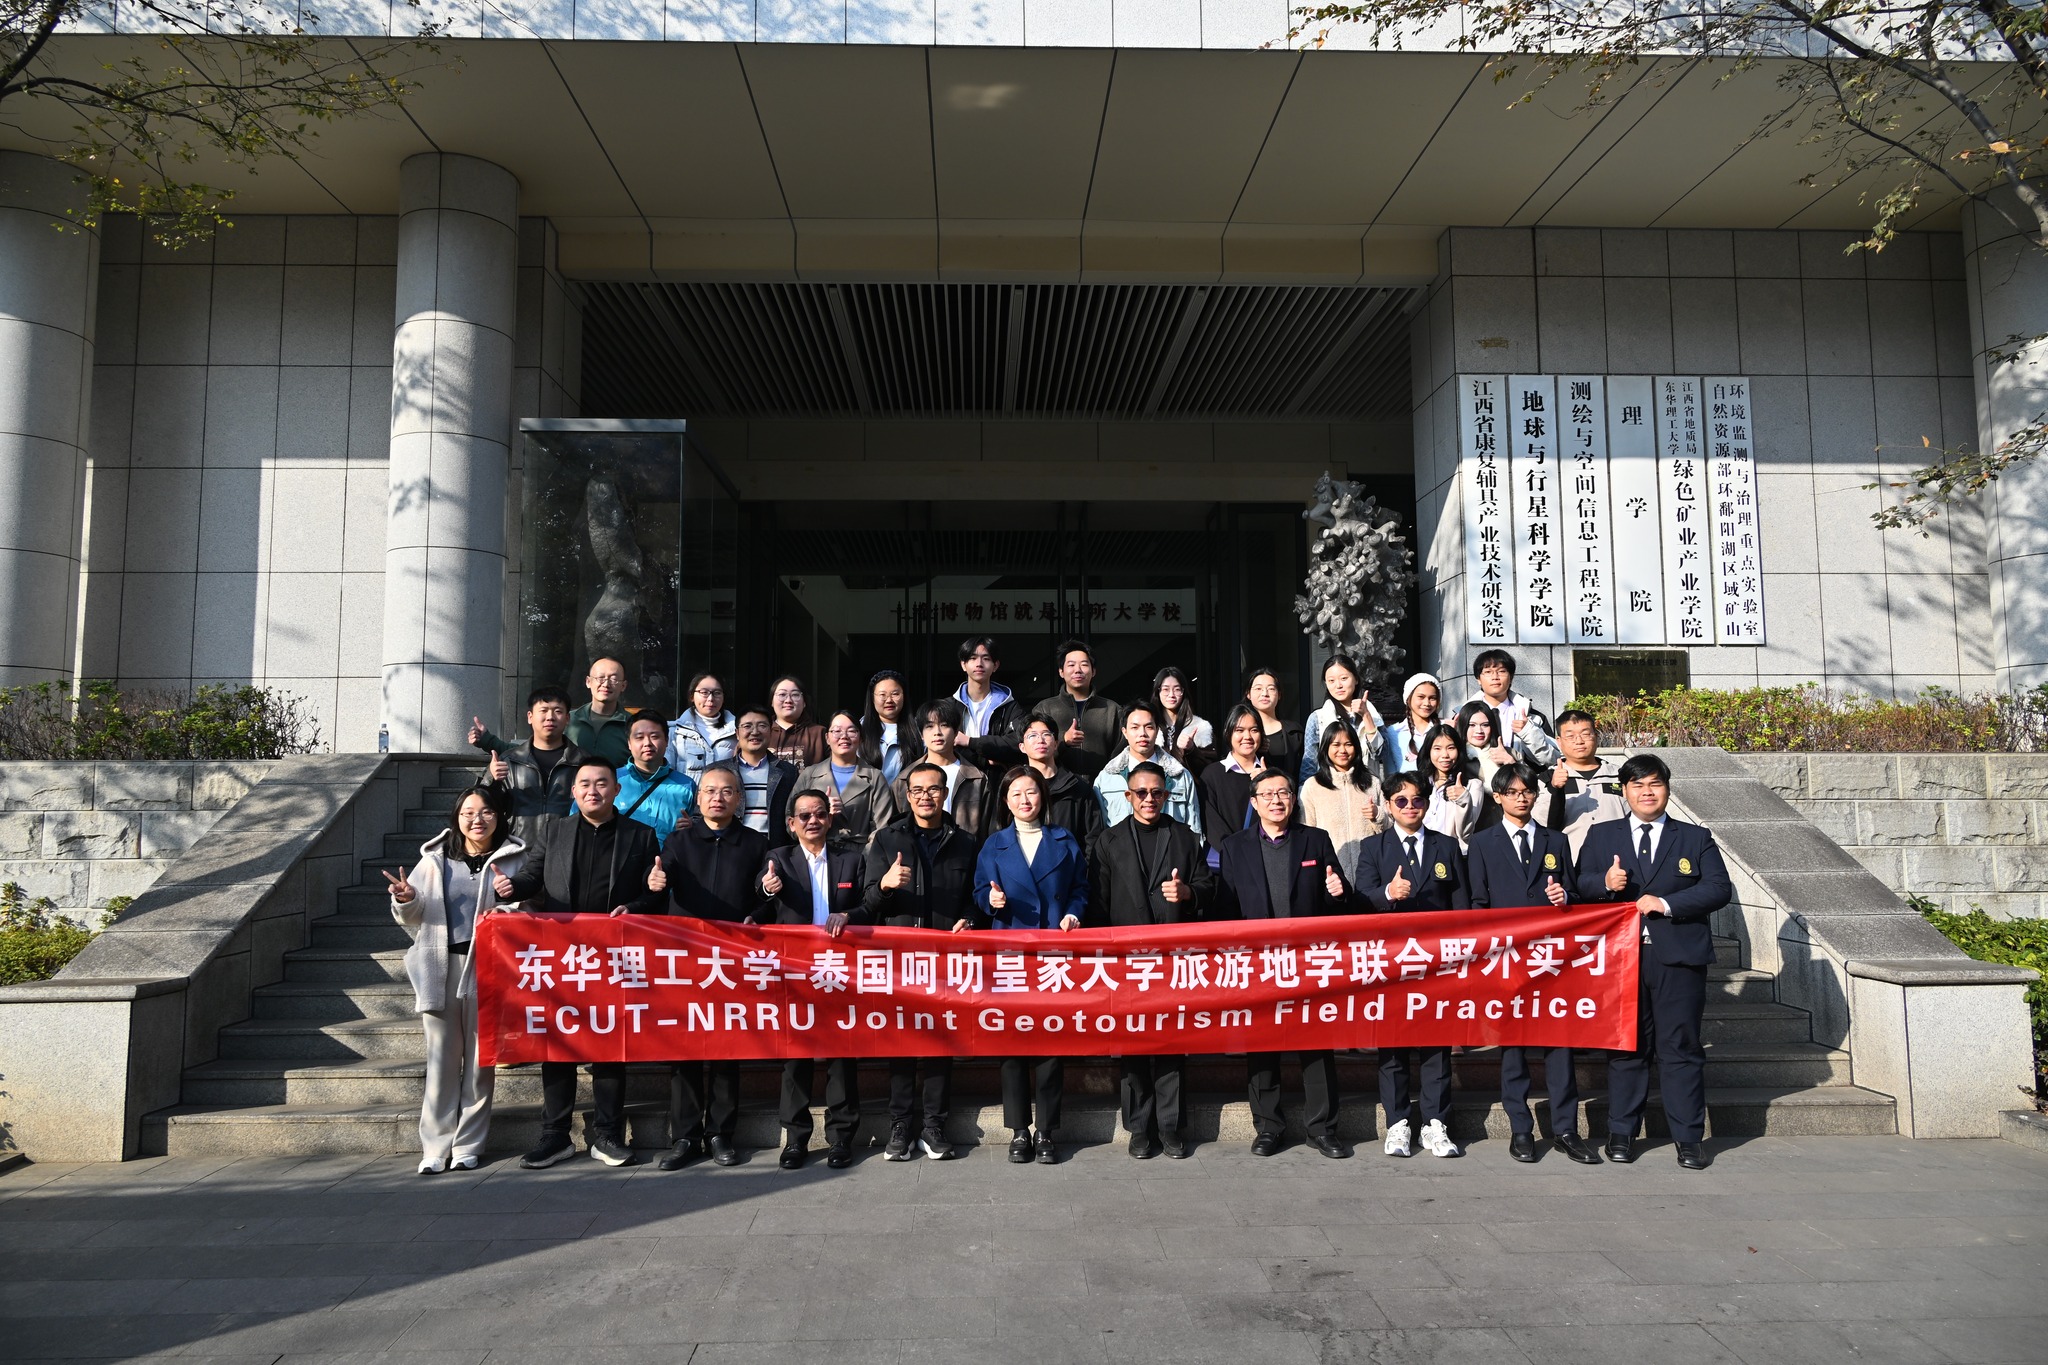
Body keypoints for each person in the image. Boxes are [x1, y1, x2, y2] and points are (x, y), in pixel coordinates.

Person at [1574, 753, 1733, 1171]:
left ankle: (1688, 1139)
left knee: (1680, 1047)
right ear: (1624, 791)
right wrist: (1605, 883)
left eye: (1655, 784)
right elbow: (1579, 885)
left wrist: (1665, 903)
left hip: (1678, 959)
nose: (1647, 792)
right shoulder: (1602, 834)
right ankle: (1622, 1133)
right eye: (1638, 785)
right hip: (1620, 960)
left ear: (1667, 788)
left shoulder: (1694, 837)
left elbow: (1719, 888)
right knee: (1626, 1047)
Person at [506, 760, 666, 1170]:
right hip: (563, 957)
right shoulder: (555, 831)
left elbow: (654, 896)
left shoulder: (640, 835)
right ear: (574, 792)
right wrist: (510, 887)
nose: (593, 790)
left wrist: (640, 901)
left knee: (610, 1047)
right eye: (585, 784)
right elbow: (532, 877)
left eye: (601, 783)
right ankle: (555, 1136)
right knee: (558, 1047)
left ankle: (608, 1135)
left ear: (616, 789)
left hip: (614, 958)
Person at [1213, 769, 1355, 1158]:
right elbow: (1225, 910)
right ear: (1254, 802)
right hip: (1258, 963)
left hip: (1308, 962)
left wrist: (1338, 892)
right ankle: (1268, 1127)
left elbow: (1337, 900)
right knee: (1262, 1047)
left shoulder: (1315, 840)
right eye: (1268, 794)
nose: (1277, 800)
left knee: (1316, 1047)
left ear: (1293, 799)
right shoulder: (1235, 846)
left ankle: (1322, 1129)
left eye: (1284, 793)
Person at [385, 784, 525, 1174]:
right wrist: (405, 898)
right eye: (468, 813)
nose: (477, 820)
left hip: (491, 968)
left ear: (499, 816)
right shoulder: (435, 860)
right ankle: (434, 1146)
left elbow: (530, 907)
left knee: (481, 1062)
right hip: (439, 966)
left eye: (486, 812)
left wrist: (511, 905)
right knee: (442, 1060)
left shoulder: (516, 857)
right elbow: (413, 915)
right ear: (457, 818)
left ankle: (468, 1145)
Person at [1465, 764, 1599, 1166]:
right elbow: (1477, 903)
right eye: (1513, 792)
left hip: (1552, 958)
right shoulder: (1482, 843)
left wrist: (1564, 898)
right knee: (1514, 1047)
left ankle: (1566, 1130)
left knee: (1560, 1047)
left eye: (1527, 791)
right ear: (1498, 797)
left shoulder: (1555, 840)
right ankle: (1520, 1128)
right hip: (1507, 958)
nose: (1521, 798)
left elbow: (1573, 891)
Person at [1091, 760, 1213, 1159]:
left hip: (1172, 960)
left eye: (1157, 792)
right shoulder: (1108, 841)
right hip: (1125, 962)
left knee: (1171, 1043)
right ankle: (1140, 1128)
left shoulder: (1185, 837)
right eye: (1141, 793)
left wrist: (1188, 894)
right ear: (1128, 796)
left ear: (1167, 795)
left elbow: (1207, 886)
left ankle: (1170, 1126)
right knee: (1133, 1045)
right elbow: (1098, 904)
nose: (1149, 799)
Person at [646, 766, 766, 1170]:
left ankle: (720, 1133)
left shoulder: (756, 843)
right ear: (698, 799)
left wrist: (760, 908)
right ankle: (684, 1136)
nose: (718, 798)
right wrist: (655, 881)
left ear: (739, 799)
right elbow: (662, 877)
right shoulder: (678, 841)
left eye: (727, 791)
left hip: (732, 961)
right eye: (710, 791)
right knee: (685, 1048)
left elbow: (764, 897)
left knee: (726, 1047)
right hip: (687, 960)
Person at [865, 761, 979, 1162]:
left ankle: (934, 1126)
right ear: (906, 795)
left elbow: (975, 896)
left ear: (945, 794)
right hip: (901, 959)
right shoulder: (887, 839)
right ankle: (900, 1126)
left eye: (933, 789)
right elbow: (868, 902)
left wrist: (972, 918)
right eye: (917, 790)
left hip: (946, 960)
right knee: (901, 1042)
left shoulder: (966, 842)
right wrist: (885, 885)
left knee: (939, 1043)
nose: (925, 796)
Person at [1354, 770, 1470, 1160]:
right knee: (1393, 1046)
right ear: (1388, 806)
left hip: (1437, 962)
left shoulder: (1446, 846)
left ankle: (1436, 1123)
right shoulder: (1373, 847)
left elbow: (1461, 906)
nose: (1410, 806)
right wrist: (1388, 893)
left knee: (1437, 1046)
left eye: (1417, 799)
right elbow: (1360, 901)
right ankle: (1398, 1122)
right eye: (1401, 801)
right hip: (1391, 963)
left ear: (1427, 803)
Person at [975, 766, 1088, 1165]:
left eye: (1032, 792)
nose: (1025, 800)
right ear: (1005, 802)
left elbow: (1080, 889)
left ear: (1043, 796)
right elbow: (979, 891)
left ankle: (1046, 1130)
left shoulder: (1064, 840)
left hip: (1053, 955)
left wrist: (1073, 913)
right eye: (1017, 794)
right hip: (1011, 955)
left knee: (1051, 1043)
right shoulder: (994, 844)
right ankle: (1019, 1130)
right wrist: (991, 902)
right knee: (1013, 1043)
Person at [761, 789, 869, 1170]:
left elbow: (868, 905)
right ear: (791, 824)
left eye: (820, 814)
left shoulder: (851, 858)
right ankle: (795, 1139)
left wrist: (850, 916)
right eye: (804, 816)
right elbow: (762, 892)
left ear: (829, 819)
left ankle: (841, 1138)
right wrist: (767, 887)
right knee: (797, 1055)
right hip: (795, 970)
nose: (813, 821)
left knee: (842, 1055)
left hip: (841, 971)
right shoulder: (779, 859)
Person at [471, 657, 635, 770]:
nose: (606, 684)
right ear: (588, 682)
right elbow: (530, 750)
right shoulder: (568, 719)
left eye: (614, 679)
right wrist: (487, 740)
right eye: (600, 678)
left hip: (620, 800)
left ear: (624, 685)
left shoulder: (633, 726)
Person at [480, 686, 587, 833]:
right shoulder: (509, 761)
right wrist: (492, 779)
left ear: (567, 718)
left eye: (558, 711)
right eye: (543, 710)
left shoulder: (583, 762)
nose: (550, 717)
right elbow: (483, 806)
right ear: (530, 717)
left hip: (568, 843)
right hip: (519, 844)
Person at [793, 709, 902, 849]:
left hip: (861, 855)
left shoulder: (875, 778)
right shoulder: (809, 775)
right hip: (818, 852)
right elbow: (791, 820)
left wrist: (864, 857)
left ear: (861, 738)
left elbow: (882, 828)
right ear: (827, 738)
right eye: (837, 731)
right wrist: (822, 811)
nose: (844, 736)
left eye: (851, 731)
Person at [1094, 700, 1203, 835]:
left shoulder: (1180, 776)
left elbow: (1194, 827)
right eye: (1135, 727)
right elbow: (1098, 832)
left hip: (1172, 847)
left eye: (1149, 727)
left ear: (1157, 731)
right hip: (1122, 848)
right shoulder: (1106, 778)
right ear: (1125, 732)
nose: (1142, 733)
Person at [1005, 711, 1106, 856]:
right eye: (1032, 735)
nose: (1040, 740)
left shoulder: (1078, 787)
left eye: (1046, 734)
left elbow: (1093, 838)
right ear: (1022, 747)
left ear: (1056, 744)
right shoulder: (1013, 787)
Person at [891, 698, 991, 838]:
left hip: (962, 850)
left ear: (956, 732)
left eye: (944, 725)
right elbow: (894, 829)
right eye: (929, 726)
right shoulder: (903, 779)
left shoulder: (977, 779)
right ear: (921, 734)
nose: (937, 732)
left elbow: (987, 831)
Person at [1297, 718, 1385, 873]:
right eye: (1336, 745)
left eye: (1348, 744)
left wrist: (1377, 814)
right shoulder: (1313, 786)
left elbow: (1389, 829)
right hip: (1330, 873)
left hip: (1369, 871)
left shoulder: (1373, 783)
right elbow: (1306, 833)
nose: (1342, 750)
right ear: (1326, 748)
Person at [1540, 708, 1627, 858]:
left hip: (1618, 861)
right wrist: (1554, 789)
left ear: (1596, 736)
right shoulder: (1545, 780)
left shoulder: (1620, 776)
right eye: (1570, 736)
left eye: (1585, 734)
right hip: (1570, 862)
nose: (1579, 741)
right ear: (1559, 741)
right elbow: (1541, 826)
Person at [1032, 639, 1123, 777]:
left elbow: (1121, 754)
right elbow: (1033, 751)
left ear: (1093, 671)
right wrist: (1063, 741)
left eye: (1084, 664)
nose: (1078, 670)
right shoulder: (1044, 709)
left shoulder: (1112, 710)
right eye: (1071, 665)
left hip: (1101, 785)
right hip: (1057, 785)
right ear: (1061, 672)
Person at [1301, 653, 1387, 784]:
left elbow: (1380, 753)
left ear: (1356, 679)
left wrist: (1366, 715)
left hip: (1365, 787)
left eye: (1344, 678)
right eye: (1331, 681)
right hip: (1330, 788)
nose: (1338, 685)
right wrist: (1304, 793)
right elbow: (1309, 763)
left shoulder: (1373, 715)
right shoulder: (1318, 718)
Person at [1465, 649, 1559, 767]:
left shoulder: (1533, 718)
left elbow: (1553, 761)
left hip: (1519, 778)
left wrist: (1529, 733)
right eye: (1488, 672)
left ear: (1511, 677)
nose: (1495, 677)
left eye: (1501, 671)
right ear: (1478, 679)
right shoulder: (1463, 716)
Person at [722, 703, 799, 847]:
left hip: (773, 851)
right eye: (747, 726)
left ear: (771, 732)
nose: (755, 732)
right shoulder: (719, 771)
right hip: (729, 849)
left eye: (762, 726)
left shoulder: (788, 772)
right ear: (737, 733)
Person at [1197, 702, 1267, 853]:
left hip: (1264, 856)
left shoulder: (1273, 776)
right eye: (1239, 730)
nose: (1247, 736)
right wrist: (1233, 853)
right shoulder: (1212, 775)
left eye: (1254, 730)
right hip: (1228, 858)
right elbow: (1211, 823)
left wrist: (1267, 784)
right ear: (1228, 734)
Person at [615, 711, 697, 837]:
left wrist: (692, 829)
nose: (647, 743)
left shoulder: (686, 785)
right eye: (639, 737)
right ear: (629, 743)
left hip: (668, 850)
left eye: (654, 736)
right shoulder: (612, 781)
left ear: (667, 740)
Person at [1417, 722, 1481, 847]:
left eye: (1451, 748)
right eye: (1437, 748)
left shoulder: (1473, 786)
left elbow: (1465, 834)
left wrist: (1463, 799)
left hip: (1453, 853)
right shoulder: (1418, 784)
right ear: (1428, 751)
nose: (1445, 755)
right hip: (1420, 852)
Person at [955, 635, 1029, 741]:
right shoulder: (949, 707)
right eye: (973, 658)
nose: (979, 664)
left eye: (986, 659)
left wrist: (970, 742)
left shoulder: (1010, 708)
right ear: (963, 665)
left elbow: (1018, 740)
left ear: (995, 666)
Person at [666, 672, 737, 782]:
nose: (711, 698)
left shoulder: (737, 731)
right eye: (704, 692)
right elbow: (667, 773)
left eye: (717, 693)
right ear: (692, 696)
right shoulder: (675, 732)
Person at [1243, 665, 1304, 783]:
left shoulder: (1294, 732)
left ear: (1279, 694)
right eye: (1258, 688)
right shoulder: (1238, 732)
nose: (1264, 693)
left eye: (1271, 689)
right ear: (1248, 694)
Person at [1381, 673, 1442, 775]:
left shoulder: (1444, 727)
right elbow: (1390, 774)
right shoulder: (1393, 732)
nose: (1427, 703)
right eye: (1421, 697)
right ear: (1408, 698)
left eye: (1432, 698)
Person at [1151, 666, 1212, 766]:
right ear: (1158, 691)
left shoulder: (1200, 727)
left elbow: (1209, 768)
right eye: (1166, 689)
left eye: (1177, 689)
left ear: (1183, 692)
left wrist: (1192, 749)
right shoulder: (1148, 726)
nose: (1171, 695)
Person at [859, 669, 911, 783]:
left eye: (895, 694)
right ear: (872, 698)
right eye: (882, 695)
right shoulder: (858, 730)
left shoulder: (916, 731)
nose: (889, 700)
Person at [767, 674, 827, 767]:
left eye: (795, 695)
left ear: (804, 702)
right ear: (772, 701)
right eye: (782, 695)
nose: (788, 700)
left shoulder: (820, 733)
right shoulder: (763, 732)